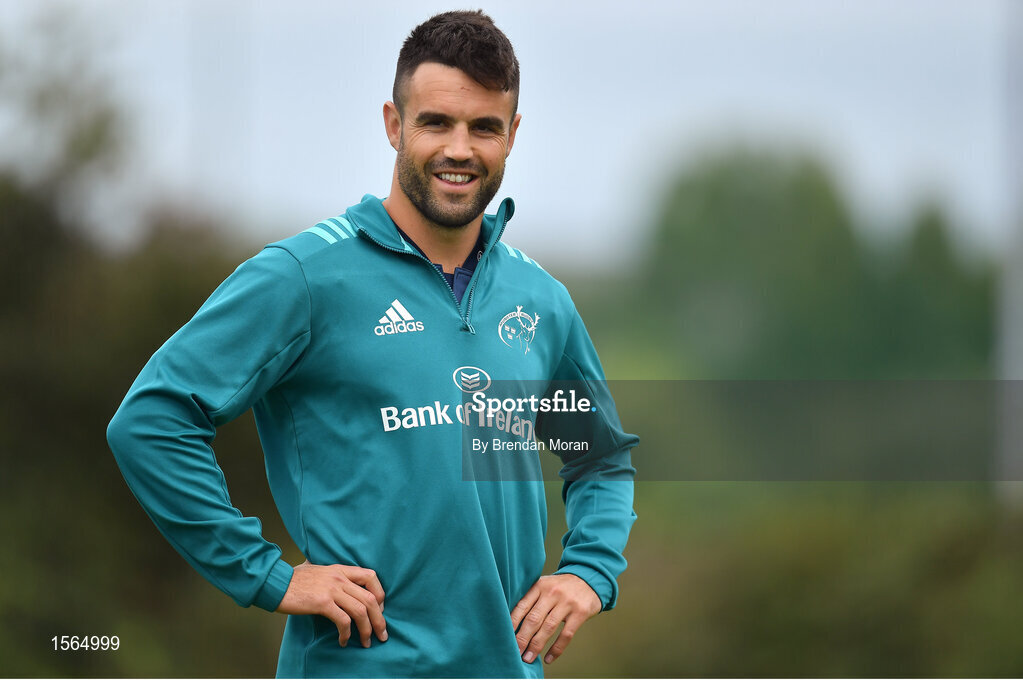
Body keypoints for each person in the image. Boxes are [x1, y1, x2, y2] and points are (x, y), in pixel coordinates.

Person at [107, 10, 637, 678]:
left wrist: (588, 572)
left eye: (483, 127)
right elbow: (152, 421)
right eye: (435, 122)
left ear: (512, 136)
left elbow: (599, 461)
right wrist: (266, 574)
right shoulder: (303, 277)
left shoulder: (540, 299)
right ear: (393, 124)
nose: (459, 149)